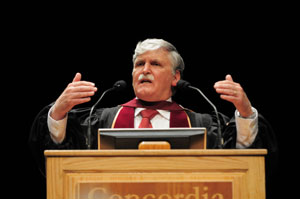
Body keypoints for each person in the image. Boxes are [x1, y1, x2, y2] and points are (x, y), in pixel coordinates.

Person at [29, 38, 277, 171]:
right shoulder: (101, 119)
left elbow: (242, 160)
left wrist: (245, 113)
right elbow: (62, 157)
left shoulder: (203, 122)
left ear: (175, 77)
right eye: (139, 64)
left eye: (155, 64)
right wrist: (59, 113)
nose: (145, 70)